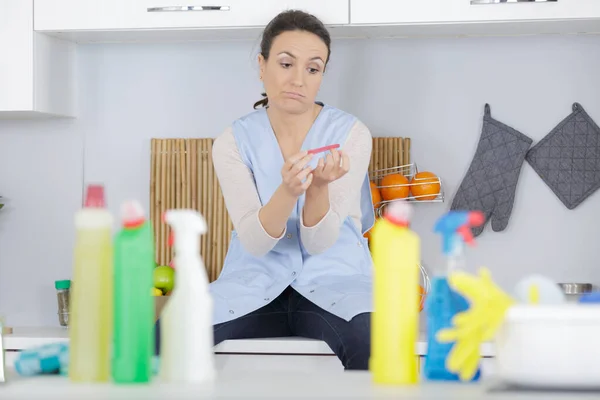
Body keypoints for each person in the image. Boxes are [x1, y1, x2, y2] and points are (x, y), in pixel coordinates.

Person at [156, 9, 376, 371]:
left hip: (337, 284)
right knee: (165, 335)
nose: (298, 80)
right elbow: (256, 243)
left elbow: (319, 243)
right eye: (286, 63)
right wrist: (288, 192)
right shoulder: (232, 141)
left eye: (313, 68)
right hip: (251, 287)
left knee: (374, 346)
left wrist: (319, 187)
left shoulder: (352, 135)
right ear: (262, 65)